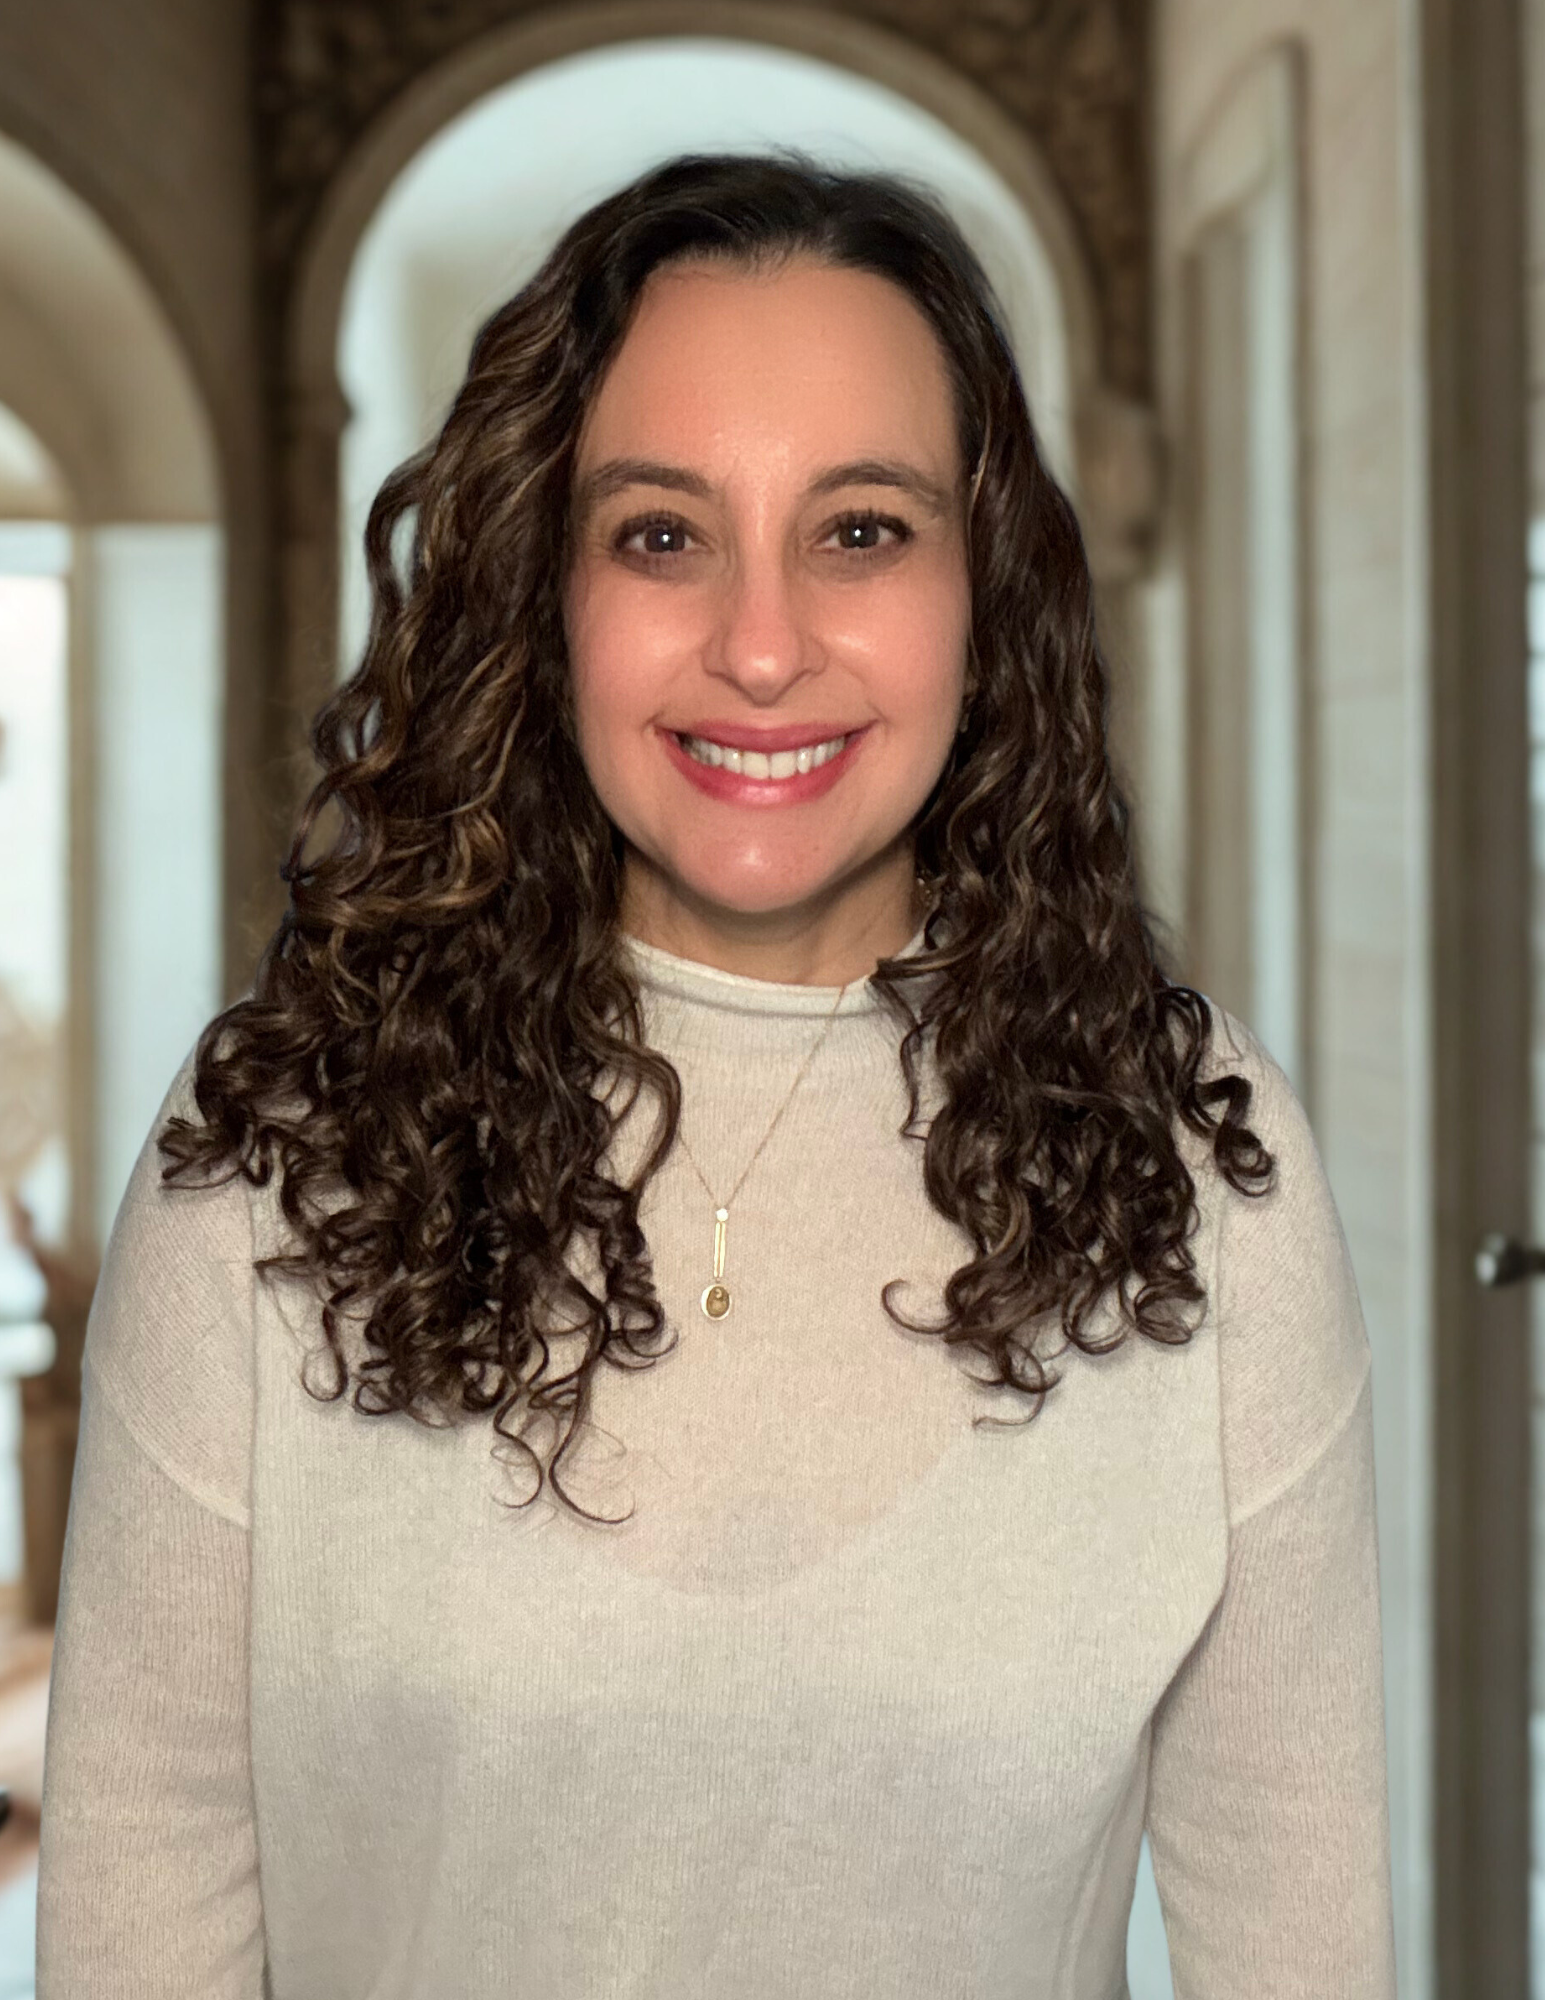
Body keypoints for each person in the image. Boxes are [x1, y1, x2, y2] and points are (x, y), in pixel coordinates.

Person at [37, 152, 1397, 1997]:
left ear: (986, 592)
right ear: (544, 592)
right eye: (662, 534)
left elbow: (1297, 1938)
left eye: (861, 530)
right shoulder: (284, 1152)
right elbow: (146, 1916)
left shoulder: (1191, 1175)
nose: (763, 647)